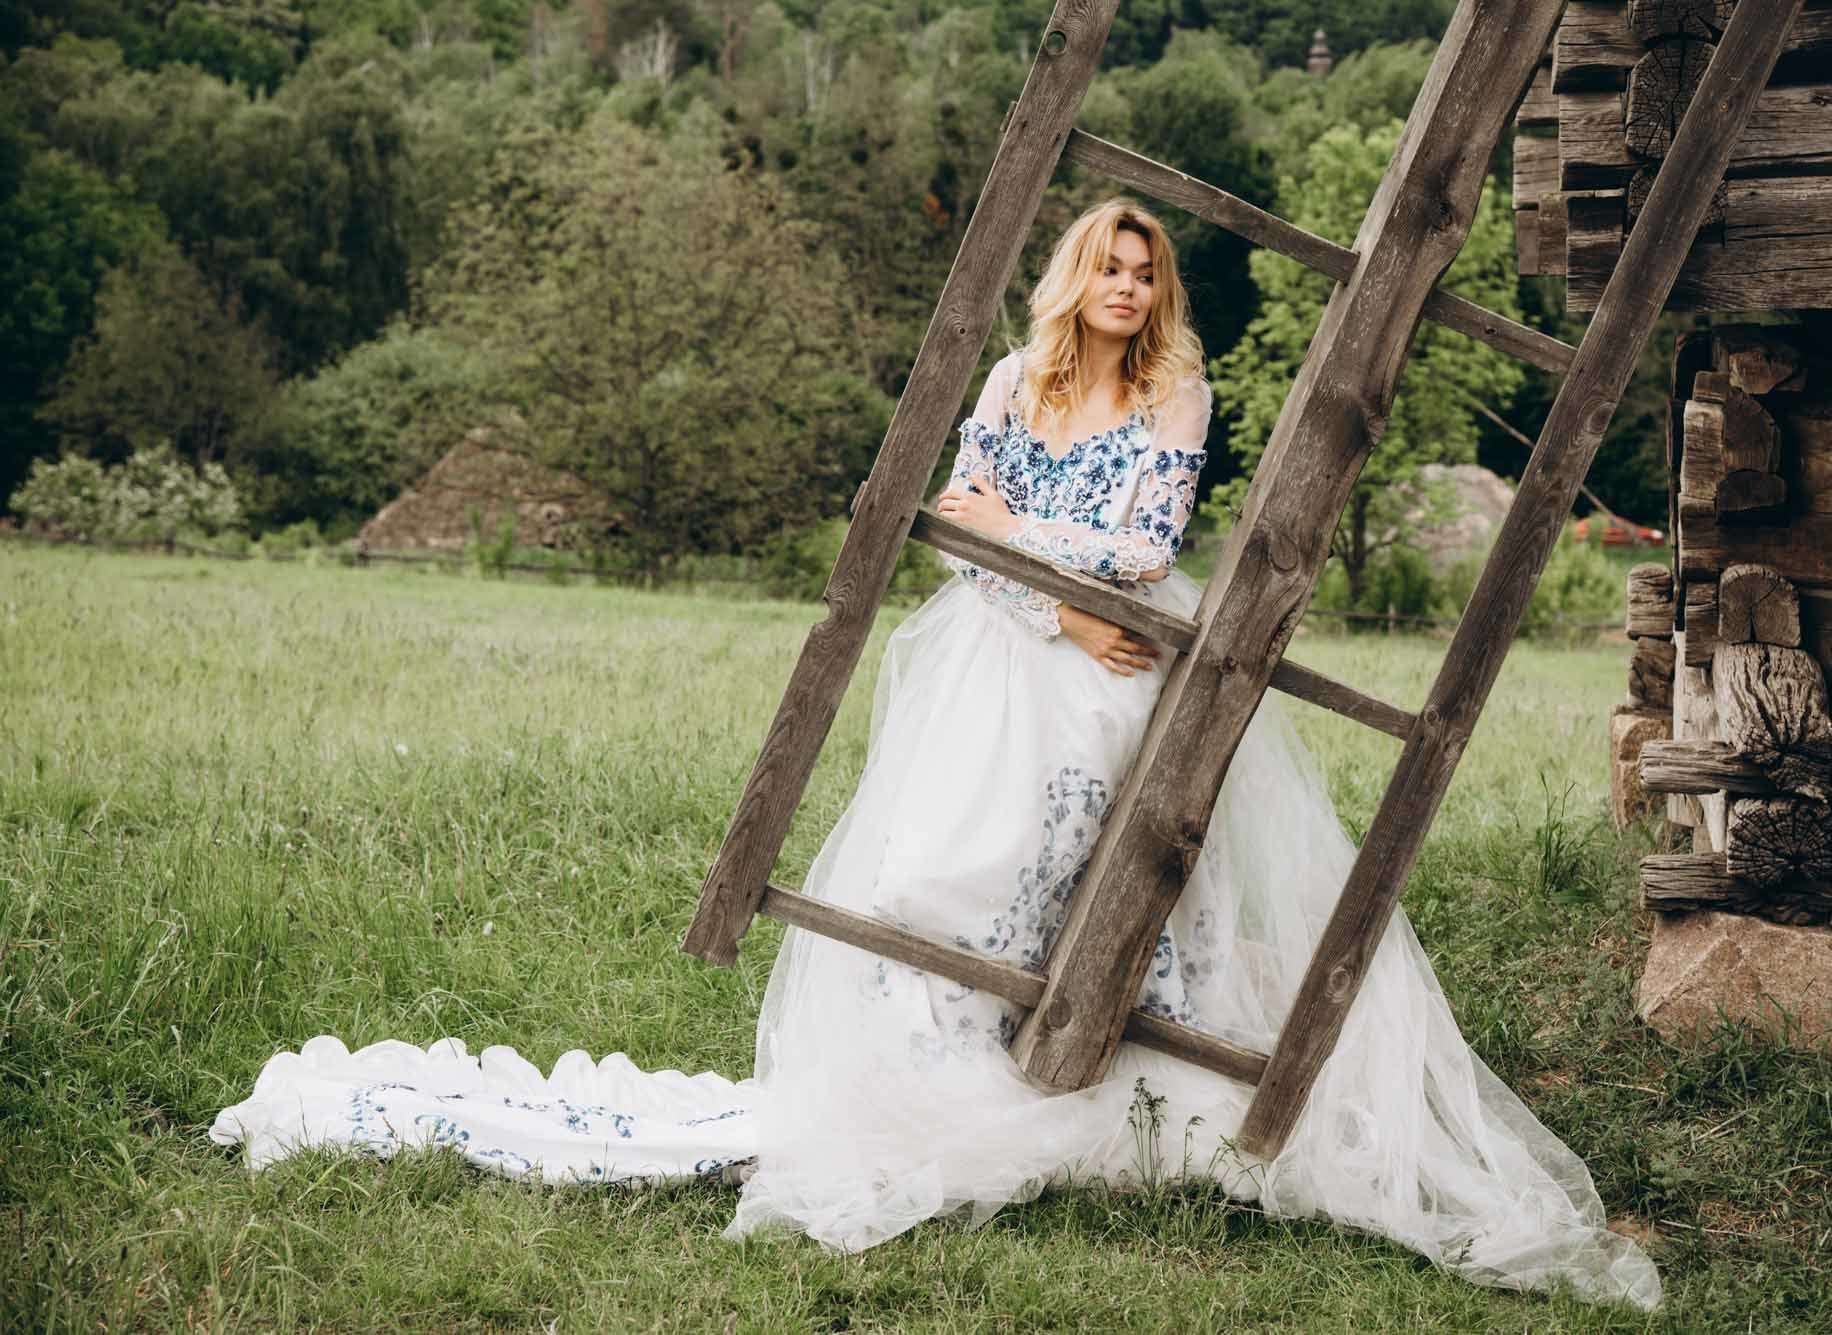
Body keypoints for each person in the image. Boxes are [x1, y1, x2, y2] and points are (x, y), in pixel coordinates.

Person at [210, 199, 1663, 1310]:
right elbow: (961, 516)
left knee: (1114, 854)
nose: (1129, 288)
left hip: (1116, 655)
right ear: (1074, 274)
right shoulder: (1019, 380)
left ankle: (1122, 1079)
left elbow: (1148, 546)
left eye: (1147, 274)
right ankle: (933, 1073)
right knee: (935, 859)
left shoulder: (1177, 398)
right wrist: (1047, 580)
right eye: (1111, 265)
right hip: (1005, 647)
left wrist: (1061, 574)